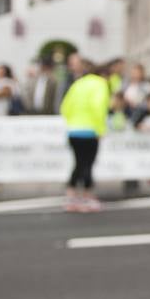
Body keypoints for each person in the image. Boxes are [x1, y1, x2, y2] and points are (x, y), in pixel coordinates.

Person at [60, 60, 111, 213]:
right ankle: (88, 198)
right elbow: (98, 107)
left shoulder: (78, 83)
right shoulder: (100, 84)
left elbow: (65, 107)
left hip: (74, 130)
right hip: (90, 130)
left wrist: (73, 123)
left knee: (78, 164)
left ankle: (71, 197)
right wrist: (100, 129)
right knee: (88, 164)